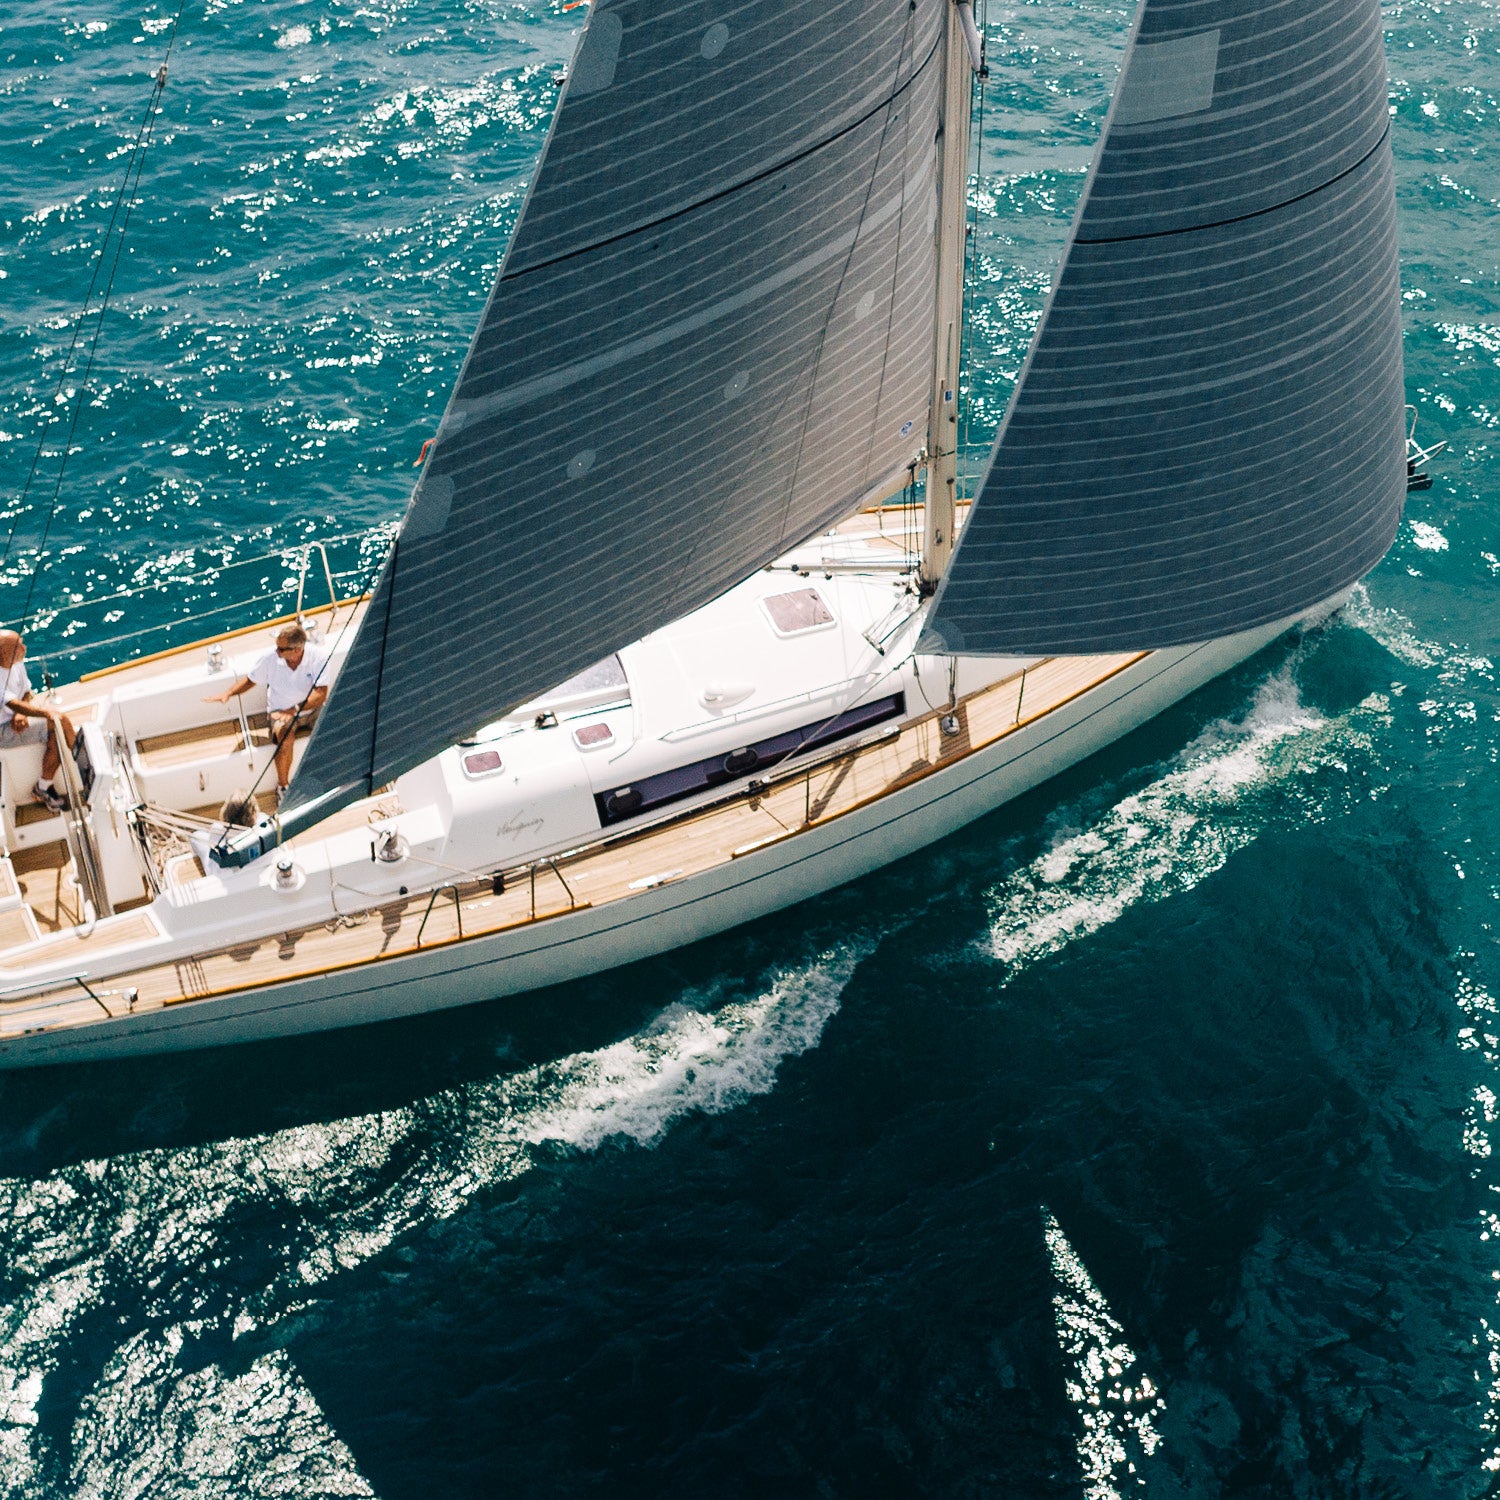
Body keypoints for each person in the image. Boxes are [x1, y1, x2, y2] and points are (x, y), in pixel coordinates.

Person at [204, 623, 330, 804]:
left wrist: (294, 710)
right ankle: (283, 787)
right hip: (280, 712)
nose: (276, 651)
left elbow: (321, 694)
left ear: (297, 650)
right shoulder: (270, 658)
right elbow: (250, 680)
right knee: (285, 739)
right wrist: (229, 693)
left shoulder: (318, 657)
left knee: (335, 728)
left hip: (311, 710)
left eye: (281, 649)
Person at [0, 629, 79, 812]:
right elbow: (13, 704)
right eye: (18, 646)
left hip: (16, 718)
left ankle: (43, 787)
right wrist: (45, 713)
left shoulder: (16, 662)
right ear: (4, 652)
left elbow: (26, 692)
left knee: (57, 733)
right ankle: (81, 762)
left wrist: (21, 714)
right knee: (60, 721)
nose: (24, 648)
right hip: (3, 730)